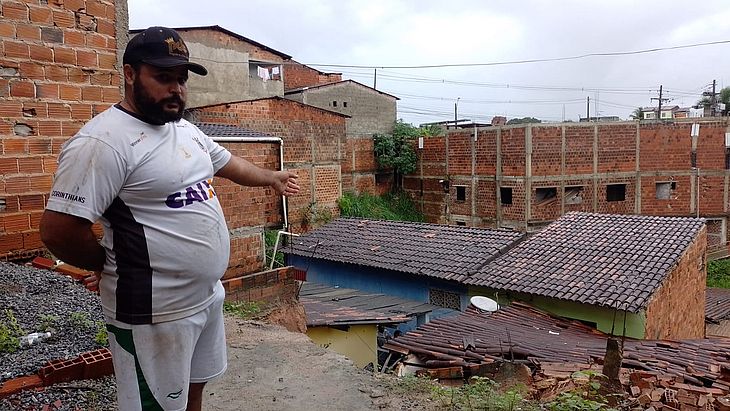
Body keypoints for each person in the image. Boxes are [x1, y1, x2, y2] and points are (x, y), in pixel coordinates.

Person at [39, 26, 299, 411]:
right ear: (130, 74)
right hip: (154, 312)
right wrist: (108, 264)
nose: (176, 88)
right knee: (156, 405)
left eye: (181, 78)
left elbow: (227, 163)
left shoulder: (185, 130)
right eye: (163, 77)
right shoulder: (104, 142)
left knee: (193, 390)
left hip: (205, 297)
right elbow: (59, 230)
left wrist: (271, 178)